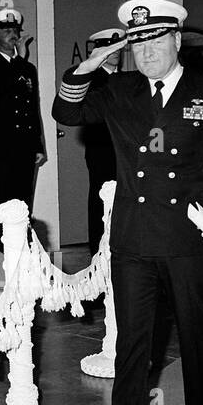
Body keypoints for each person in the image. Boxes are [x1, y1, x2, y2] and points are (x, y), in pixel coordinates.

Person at [53, 0, 203, 405]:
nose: (147, 51)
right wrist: (89, 65)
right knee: (133, 342)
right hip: (134, 239)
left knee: (197, 332)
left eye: (156, 40)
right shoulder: (119, 90)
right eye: (138, 42)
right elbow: (66, 113)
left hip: (187, 237)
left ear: (177, 40)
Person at [0, 1, 47, 254]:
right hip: (2, 146)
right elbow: (3, 85)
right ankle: (0, 257)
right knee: (3, 203)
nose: (12, 35)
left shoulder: (28, 69)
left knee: (24, 202)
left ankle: (24, 256)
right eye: (5, 31)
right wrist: (19, 60)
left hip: (25, 145)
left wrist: (38, 145)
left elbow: (32, 107)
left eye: (15, 31)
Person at [77, 27, 124, 253]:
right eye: (109, 48)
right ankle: (97, 249)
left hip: (124, 149)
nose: (115, 53)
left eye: (117, 48)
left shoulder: (126, 79)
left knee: (121, 199)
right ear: (98, 51)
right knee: (100, 199)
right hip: (101, 148)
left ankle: (117, 247)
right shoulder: (92, 78)